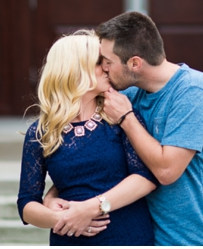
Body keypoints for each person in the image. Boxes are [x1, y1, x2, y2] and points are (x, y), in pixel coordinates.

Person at [98, 11, 203, 246]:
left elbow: (167, 171)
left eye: (108, 62)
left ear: (135, 63)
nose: (104, 68)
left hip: (197, 241)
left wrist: (127, 118)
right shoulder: (129, 95)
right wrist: (53, 196)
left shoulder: (193, 90)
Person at [17, 30, 157, 245]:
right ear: (77, 70)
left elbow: (145, 178)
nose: (107, 68)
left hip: (128, 236)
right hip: (71, 239)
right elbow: (27, 204)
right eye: (100, 62)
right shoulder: (40, 132)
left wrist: (91, 208)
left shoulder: (119, 116)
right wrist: (63, 218)